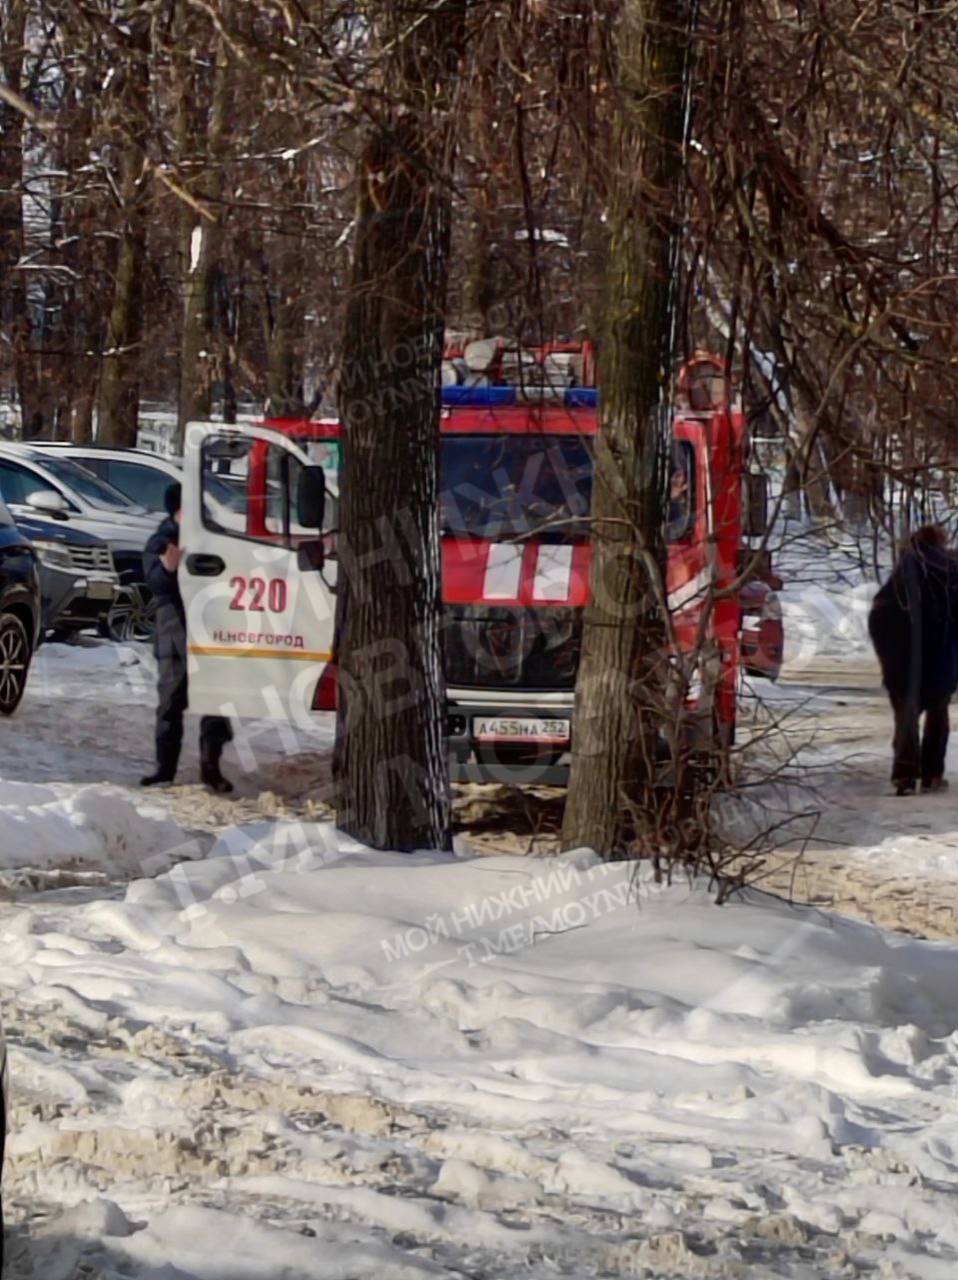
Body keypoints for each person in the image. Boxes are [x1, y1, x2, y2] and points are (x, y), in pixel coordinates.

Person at [141, 482, 234, 792]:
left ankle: (211, 767)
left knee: (216, 704)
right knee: (170, 705)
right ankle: (164, 771)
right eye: (185, 509)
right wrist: (167, 568)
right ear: (175, 511)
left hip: (212, 633)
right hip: (175, 635)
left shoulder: (214, 534)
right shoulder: (162, 539)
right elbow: (155, 582)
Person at [868, 524, 958, 796]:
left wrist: (888, 653)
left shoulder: (902, 573)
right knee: (937, 714)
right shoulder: (952, 571)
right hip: (941, 657)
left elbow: (879, 616)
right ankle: (932, 774)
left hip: (902, 659)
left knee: (906, 716)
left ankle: (904, 776)